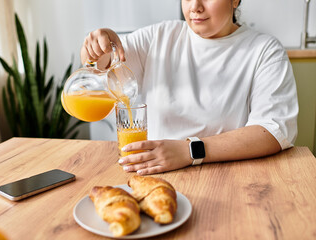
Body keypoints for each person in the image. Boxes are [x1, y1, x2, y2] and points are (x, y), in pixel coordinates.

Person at [80, 0, 298, 175]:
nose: (195, 6)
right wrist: (98, 46)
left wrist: (190, 151)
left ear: (235, 1)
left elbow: (273, 130)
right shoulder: (159, 37)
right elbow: (105, 68)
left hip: (227, 176)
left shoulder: (264, 50)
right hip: (153, 174)